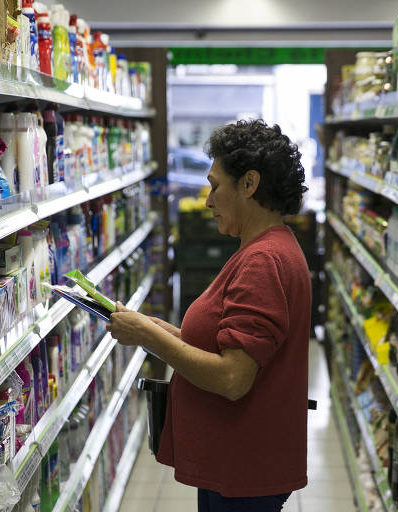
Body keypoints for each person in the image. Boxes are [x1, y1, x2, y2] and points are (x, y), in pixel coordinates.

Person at [107, 119, 312, 512]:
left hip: (243, 471)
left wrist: (150, 339)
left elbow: (233, 378)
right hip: (242, 465)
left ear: (249, 184)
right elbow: (224, 339)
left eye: (216, 185)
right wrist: (152, 327)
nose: (207, 200)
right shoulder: (267, 247)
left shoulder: (262, 261)